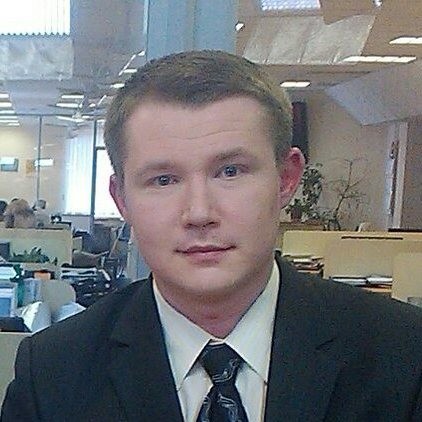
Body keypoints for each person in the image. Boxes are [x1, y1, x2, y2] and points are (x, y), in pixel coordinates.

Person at [2, 50, 422, 422]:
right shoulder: (54, 371)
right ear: (122, 199)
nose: (199, 213)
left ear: (286, 179)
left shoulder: (402, 353)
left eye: (230, 172)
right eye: (164, 180)